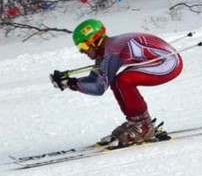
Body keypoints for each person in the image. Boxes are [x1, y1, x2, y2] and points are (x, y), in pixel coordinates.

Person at [52, 19, 183, 147]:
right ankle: (136, 122)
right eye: (79, 47)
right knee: (117, 81)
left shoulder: (111, 52)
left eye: (83, 46)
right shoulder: (106, 49)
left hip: (168, 63)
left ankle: (143, 126)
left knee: (124, 80)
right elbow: (95, 78)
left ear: (95, 41)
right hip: (163, 60)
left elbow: (99, 87)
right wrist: (69, 82)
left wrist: (71, 83)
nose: (82, 51)